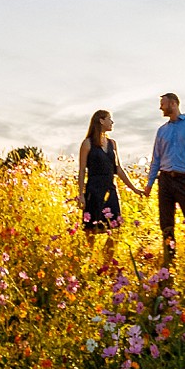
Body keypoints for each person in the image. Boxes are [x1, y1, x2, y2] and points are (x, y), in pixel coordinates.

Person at [143, 92, 185, 264]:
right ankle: (169, 262)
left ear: (173, 103)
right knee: (166, 224)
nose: (160, 107)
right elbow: (156, 158)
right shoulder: (162, 131)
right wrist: (150, 183)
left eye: (163, 104)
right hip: (165, 180)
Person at [76, 110, 144, 266]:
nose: (112, 122)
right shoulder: (87, 144)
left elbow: (118, 168)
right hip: (94, 190)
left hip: (111, 190)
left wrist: (134, 189)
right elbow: (81, 170)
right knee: (90, 232)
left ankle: (104, 265)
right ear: (101, 121)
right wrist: (81, 194)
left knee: (116, 229)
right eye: (109, 119)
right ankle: (88, 265)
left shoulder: (113, 144)